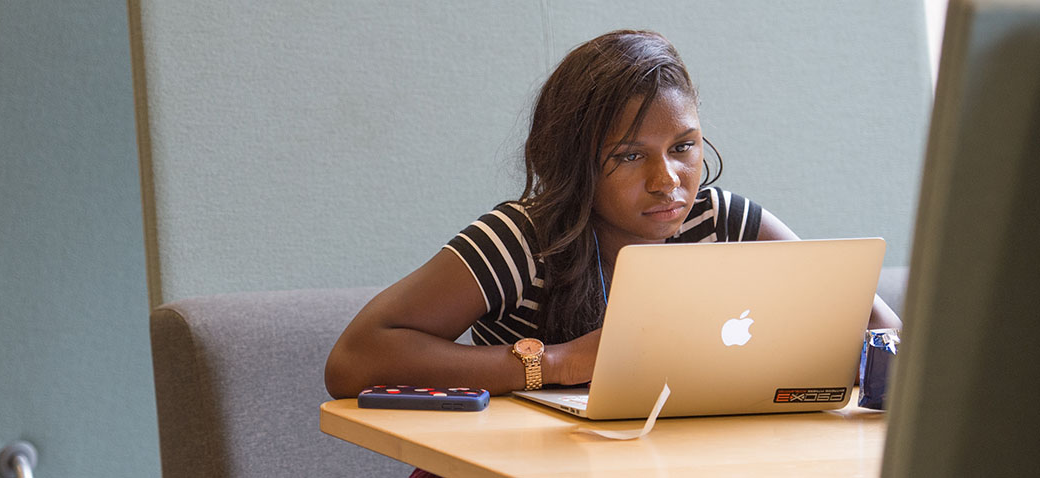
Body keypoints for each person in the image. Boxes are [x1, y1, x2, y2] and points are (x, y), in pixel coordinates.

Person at [325, 29, 902, 404]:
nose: (667, 180)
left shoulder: (719, 222)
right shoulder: (523, 240)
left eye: (683, 147)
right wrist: (556, 363)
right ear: (576, 162)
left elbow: (885, 332)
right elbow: (354, 360)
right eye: (629, 155)